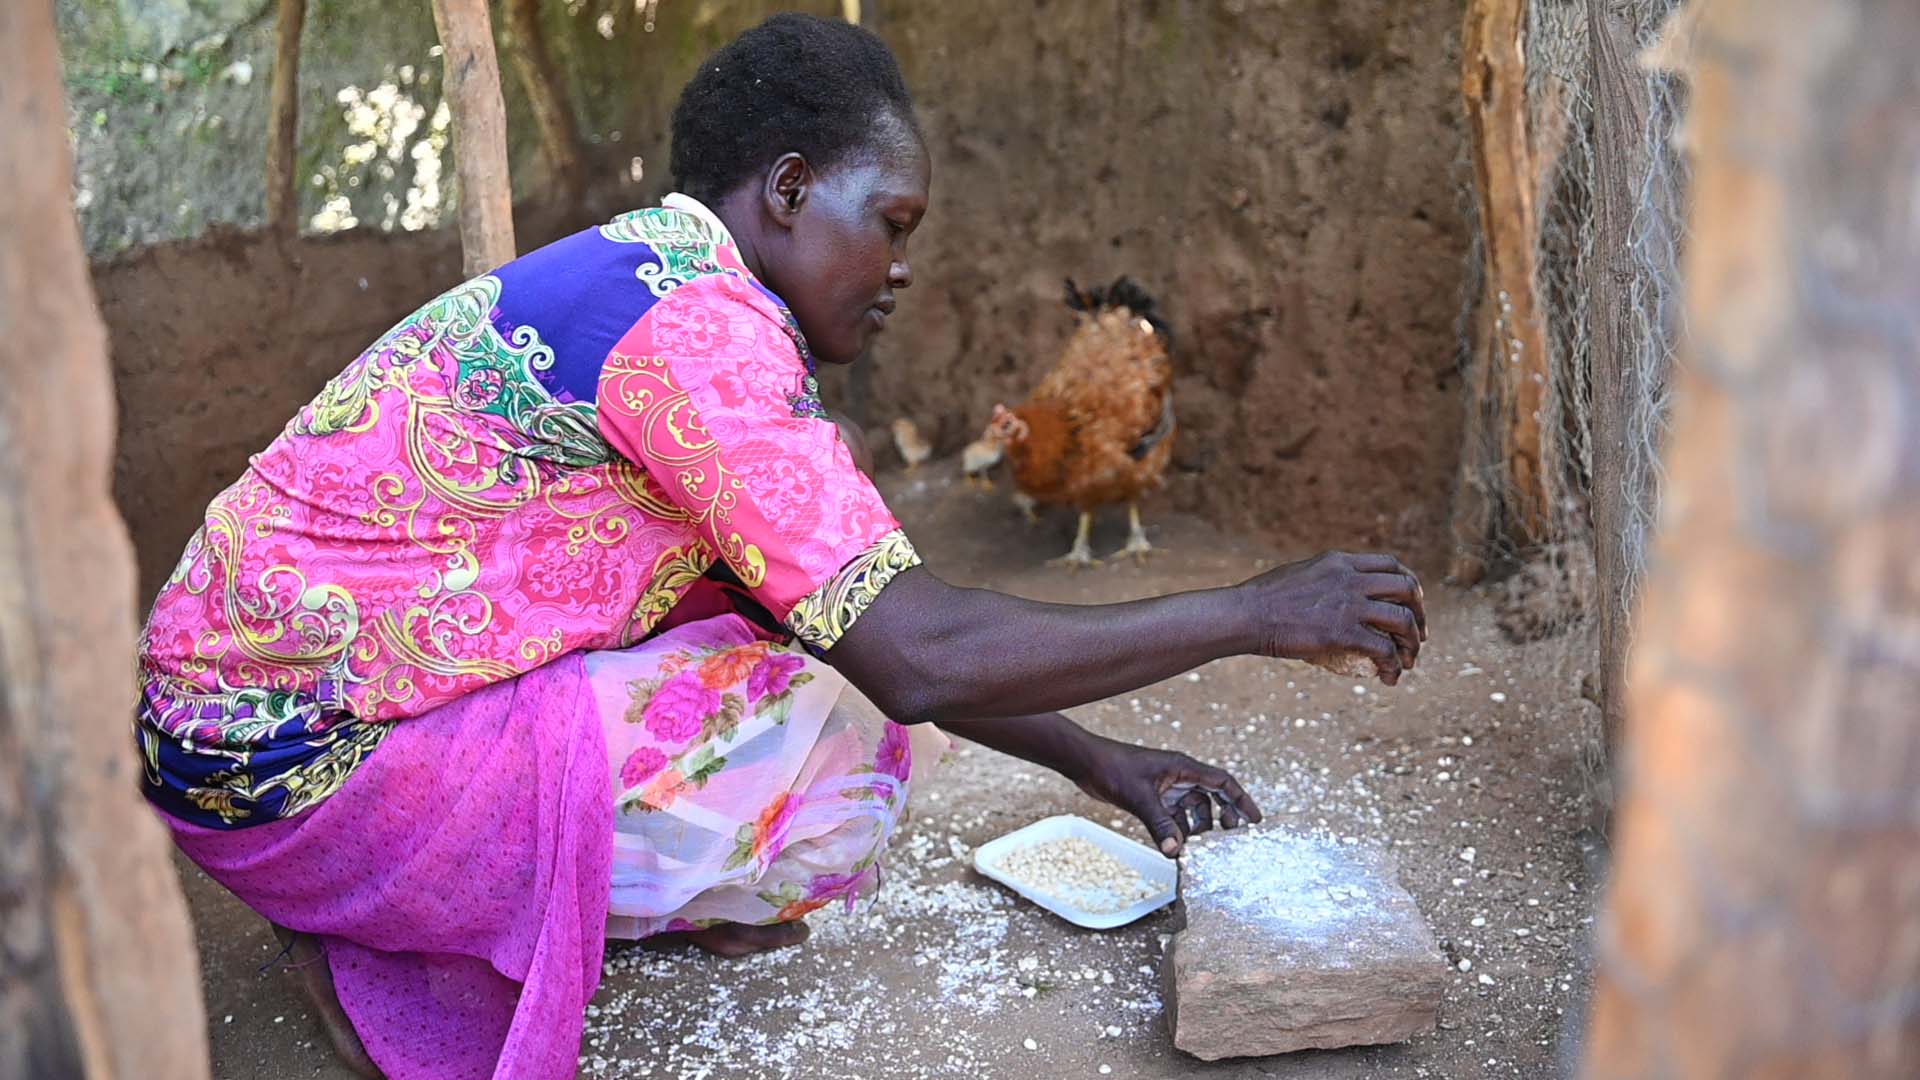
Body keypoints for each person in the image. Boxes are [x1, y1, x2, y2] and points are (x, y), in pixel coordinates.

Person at [135, 13, 1425, 1080]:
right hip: (302, 780)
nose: (902, 266)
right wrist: (1257, 609)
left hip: (232, 754)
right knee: (836, 749)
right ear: (792, 187)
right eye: (894, 220)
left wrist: (1111, 766)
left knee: (774, 647)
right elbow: (916, 659)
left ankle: (427, 904)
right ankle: (421, 926)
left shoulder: (655, 284)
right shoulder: (701, 337)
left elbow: (867, 611)